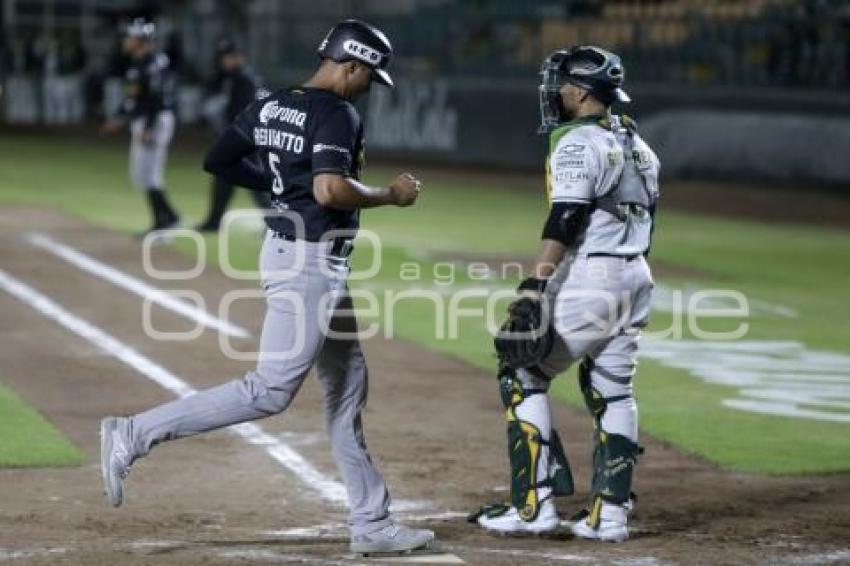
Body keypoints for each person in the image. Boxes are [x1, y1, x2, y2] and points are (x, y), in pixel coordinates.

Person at [99, 19, 436, 556]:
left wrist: (281, 184)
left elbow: (219, 160)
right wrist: (390, 195)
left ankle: (372, 523)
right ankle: (134, 433)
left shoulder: (272, 104)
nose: (370, 85)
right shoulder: (336, 111)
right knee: (271, 390)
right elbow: (329, 190)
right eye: (370, 75)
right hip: (309, 263)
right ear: (351, 64)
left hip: (298, 254)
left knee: (347, 385)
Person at [472, 46, 660, 543]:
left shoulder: (579, 142)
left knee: (521, 373)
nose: (555, 91)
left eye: (561, 83)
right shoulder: (638, 143)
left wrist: (537, 283)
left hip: (594, 276)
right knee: (613, 389)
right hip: (636, 274)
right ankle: (610, 515)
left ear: (580, 90)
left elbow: (567, 216)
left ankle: (533, 507)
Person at [101, 18, 180, 236]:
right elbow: (134, 98)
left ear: (140, 39)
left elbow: (155, 98)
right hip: (147, 119)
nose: (126, 41)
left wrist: (148, 126)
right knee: (141, 175)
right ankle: (169, 216)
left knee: (150, 174)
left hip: (154, 120)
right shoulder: (139, 63)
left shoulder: (153, 62)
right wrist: (118, 118)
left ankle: (163, 222)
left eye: (130, 37)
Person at [196, 39, 272, 232]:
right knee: (223, 177)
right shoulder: (233, 77)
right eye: (225, 57)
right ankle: (214, 221)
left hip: (249, 139)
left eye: (229, 56)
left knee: (256, 182)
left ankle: (277, 222)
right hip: (244, 136)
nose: (226, 60)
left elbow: (245, 113)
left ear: (240, 57)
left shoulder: (245, 79)